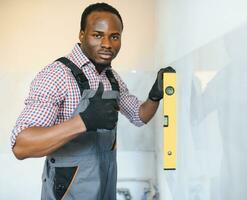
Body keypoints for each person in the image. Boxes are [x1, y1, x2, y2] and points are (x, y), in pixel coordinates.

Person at [11, 2, 174, 199]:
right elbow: (21, 146)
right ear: (81, 35)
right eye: (98, 35)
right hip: (69, 192)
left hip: (105, 188)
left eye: (114, 37)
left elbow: (139, 116)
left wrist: (154, 96)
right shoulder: (57, 75)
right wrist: (83, 121)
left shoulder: (111, 77)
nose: (107, 44)